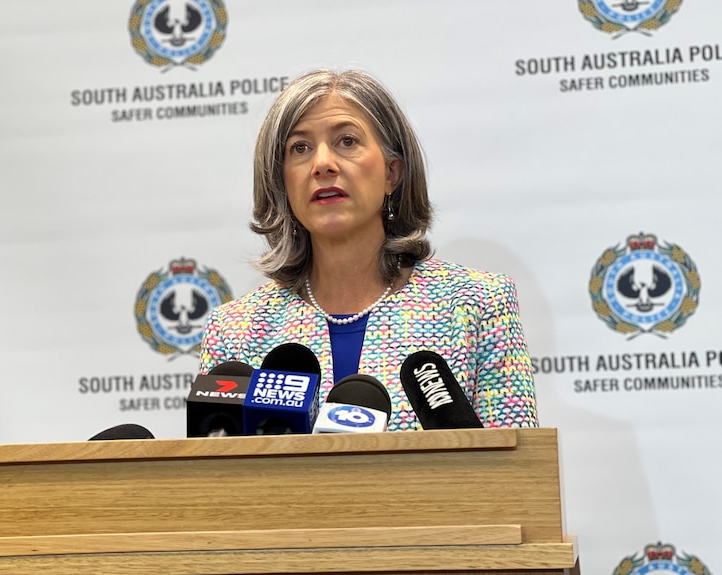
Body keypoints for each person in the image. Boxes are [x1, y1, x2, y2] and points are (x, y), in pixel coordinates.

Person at [199, 69, 537, 431]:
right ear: (281, 182)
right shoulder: (235, 331)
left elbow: (515, 474)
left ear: (393, 173)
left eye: (346, 141)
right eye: (300, 147)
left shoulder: (478, 305)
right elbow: (217, 479)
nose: (323, 164)